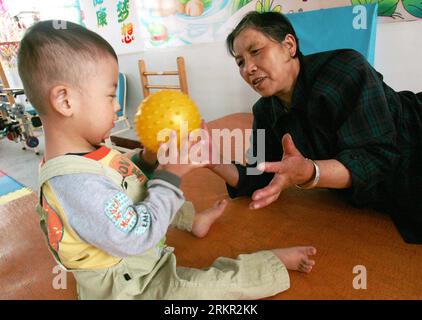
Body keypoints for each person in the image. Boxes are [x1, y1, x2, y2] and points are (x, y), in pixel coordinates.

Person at [17, 20, 317, 299]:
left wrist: (148, 160)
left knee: (139, 186)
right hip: (131, 287)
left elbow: (121, 181)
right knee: (208, 289)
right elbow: (136, 236)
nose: (116, 109)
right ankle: (270, 264)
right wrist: (171, 173)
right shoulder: (75, 183)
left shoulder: (83, 155)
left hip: (134, 260)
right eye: (110, 96)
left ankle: (194, 221)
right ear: (65, 101)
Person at [208, 11, 422, 244]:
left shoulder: (345, 69)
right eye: (240, 62)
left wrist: (311, 172)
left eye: (256, 51)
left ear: (289, 45)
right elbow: (258, 175)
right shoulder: (264, 111)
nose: (248, 68)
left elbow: (378, 157)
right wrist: (213, 160)